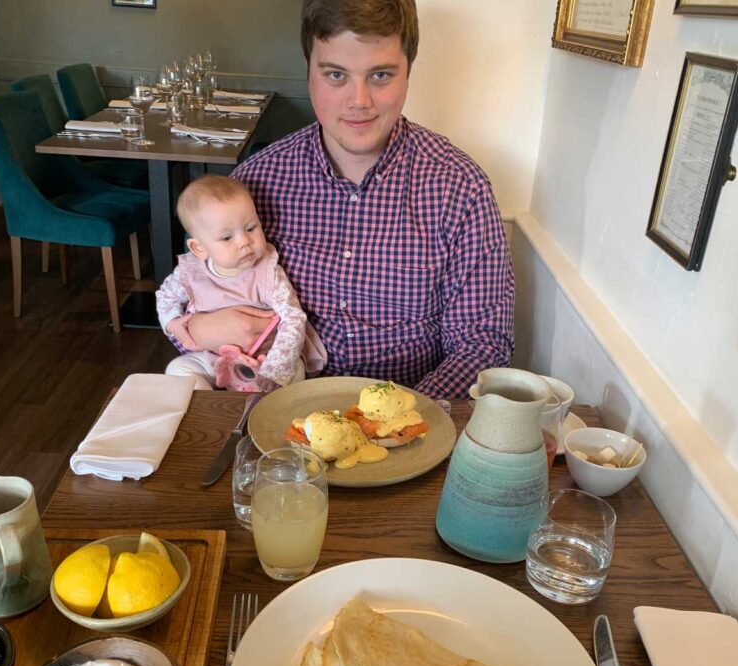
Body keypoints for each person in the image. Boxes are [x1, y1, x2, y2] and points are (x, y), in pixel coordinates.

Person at [183, 0, 515, 399]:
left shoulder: (460, 188)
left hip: (409, 418)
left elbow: (481, 346)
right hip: (274, 416)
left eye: (380, 75)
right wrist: (198, 327)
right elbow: (196, 294)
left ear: (408, 73)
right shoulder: (255, 181)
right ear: (309, 74)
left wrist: (395, 419)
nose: (359, 100)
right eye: (336, 74)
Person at [156, 175, 326, 391]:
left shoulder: (268, 271)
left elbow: (293, 317)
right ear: (199, 248)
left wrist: (275, 368)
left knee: (294, 372)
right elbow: (166, 296)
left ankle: (273, 412)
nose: (244, 242)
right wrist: (172, 322)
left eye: (251, 228)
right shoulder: (190, 272)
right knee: (178, 370)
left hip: (266, 358)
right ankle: (208, 412)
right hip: (213, 357)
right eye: (227, 238)